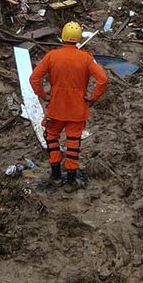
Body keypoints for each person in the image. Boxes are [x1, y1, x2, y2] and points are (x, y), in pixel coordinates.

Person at [28, 21, 108, 190]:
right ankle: (71, 180)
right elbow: (103, 79)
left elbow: (34, 78)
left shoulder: (52, 56)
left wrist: (44, 95)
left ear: (62, 37)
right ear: (78, 39)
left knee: (51, 138)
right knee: (73, 142)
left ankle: (56, 175)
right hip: (78, 110)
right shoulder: (86, 57)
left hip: (55, 108)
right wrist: (92, 98)